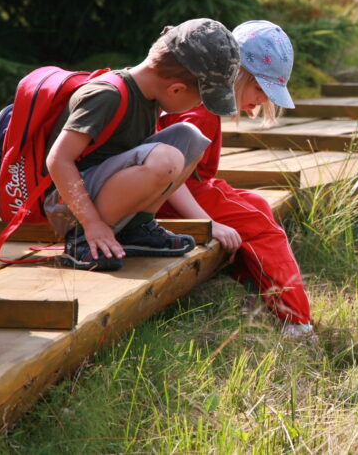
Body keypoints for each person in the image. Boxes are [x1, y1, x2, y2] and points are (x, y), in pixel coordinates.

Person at [45, 18, 241, 271]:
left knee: (190, 137)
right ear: (177, 89)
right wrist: (91, 223)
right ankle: (80, 240)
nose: (198, 107)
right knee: (166, 157)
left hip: (99, 192)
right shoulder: (107, 95)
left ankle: (136, 227)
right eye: (200, 100)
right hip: (68, 210)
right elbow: (58, 160)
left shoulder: (150, 96)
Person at [157, 20, 313, 336]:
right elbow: (167, 177)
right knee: (265, 231)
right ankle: (296, 322)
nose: (264, 99)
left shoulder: (202, 101)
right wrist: (207, 223)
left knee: (256, 202)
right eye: (259, 87)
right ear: (236, 74)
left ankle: (248, 282)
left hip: (184, 189)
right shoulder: (200, 111)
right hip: (172, 197)